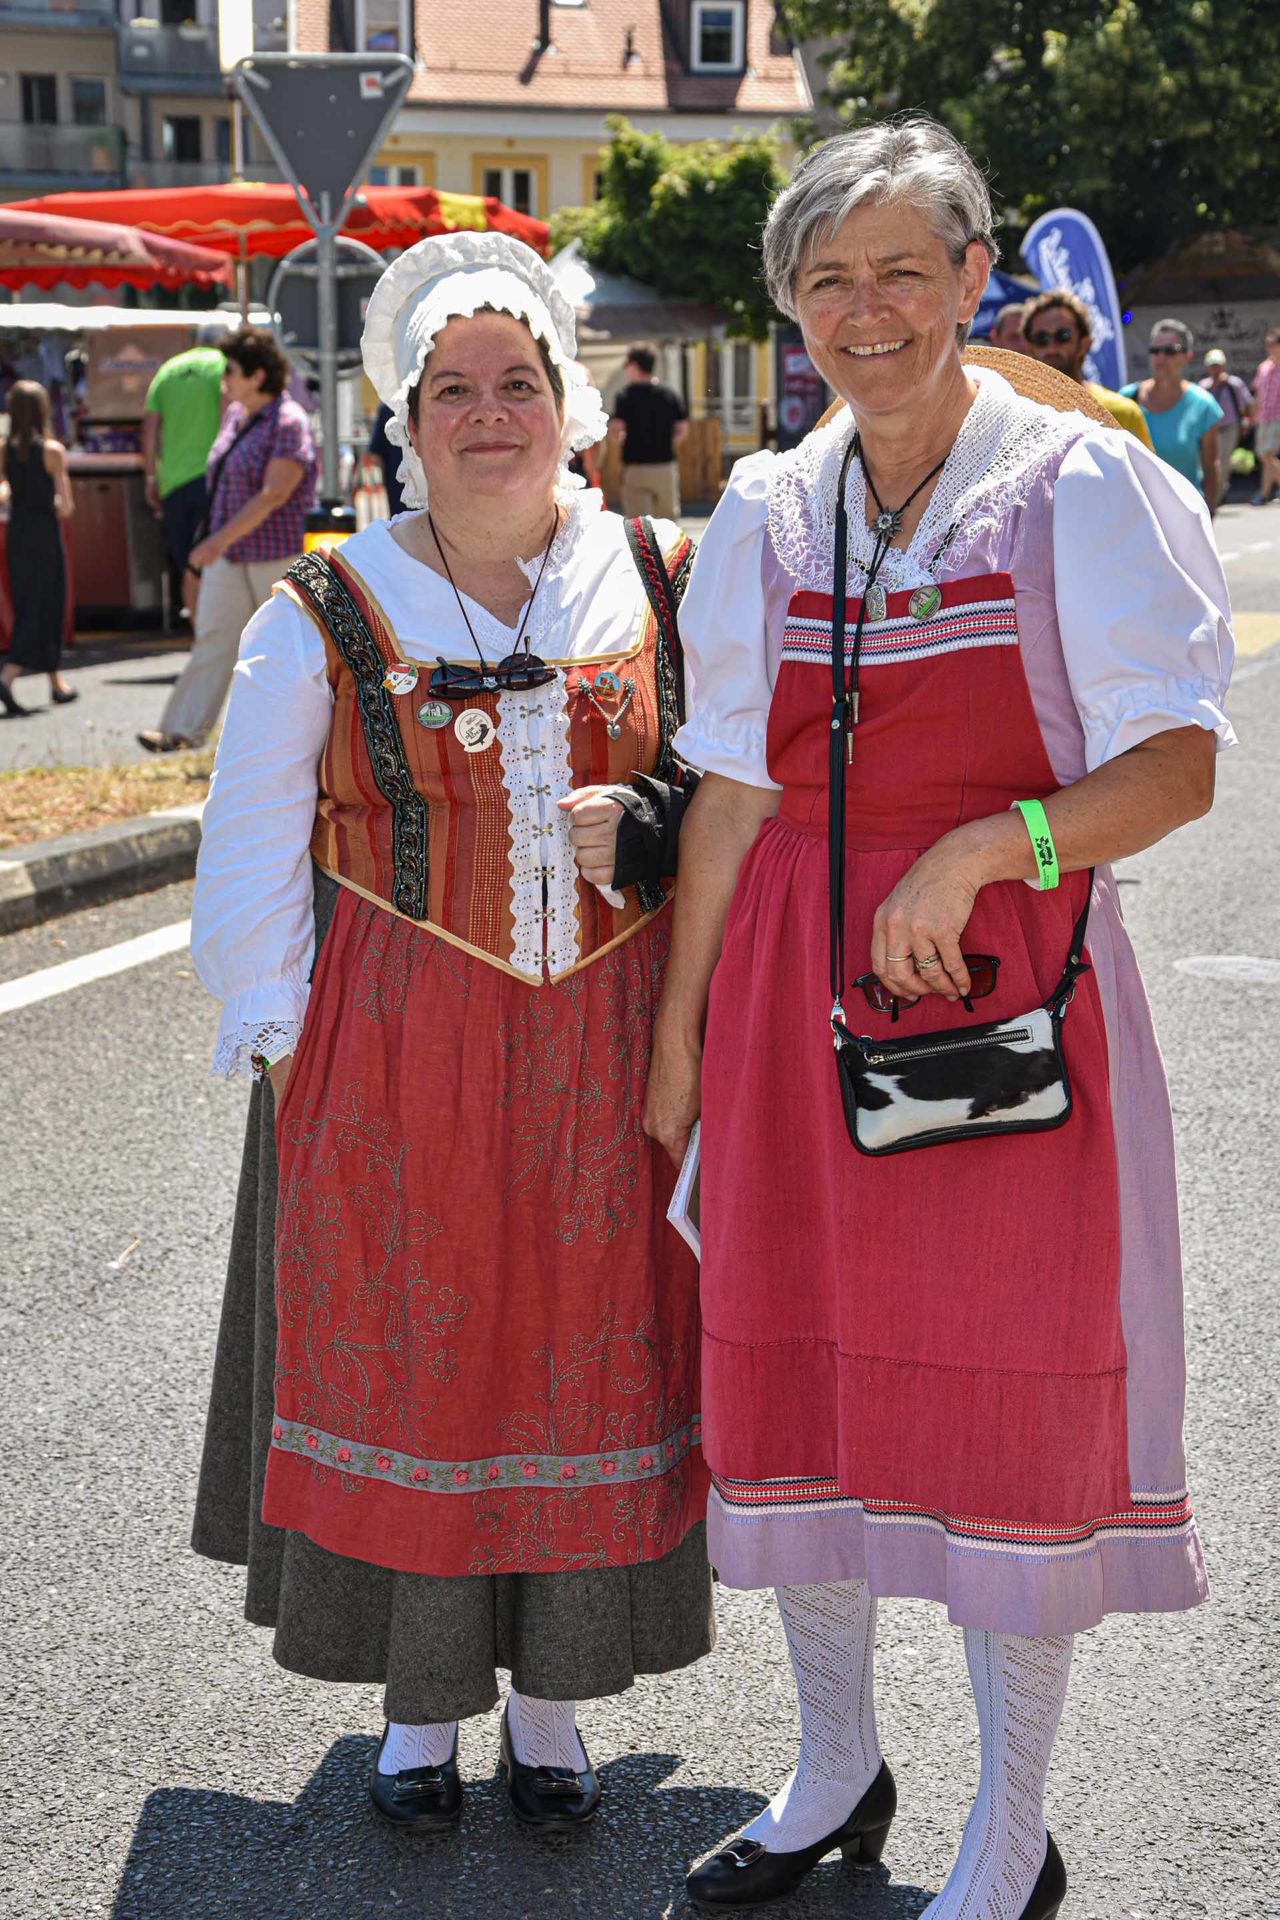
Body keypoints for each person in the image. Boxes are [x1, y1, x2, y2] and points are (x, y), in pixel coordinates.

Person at [645, 117, 1233, 1918]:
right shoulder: (766, 509)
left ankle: (1013, 1833)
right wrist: (678, 1042)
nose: (868, 311)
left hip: (1004, 1004)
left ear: (977, 277)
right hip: (785, 1000)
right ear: (790, 308)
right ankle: (833, 1770)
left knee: (1000, 1399)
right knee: (801, 1381)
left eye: (905, 269)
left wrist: (992, 845)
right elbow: (732, 798)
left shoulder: (1076, 487)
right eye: (828, 280)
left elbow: (1180, 767)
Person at [188, 231, 712, 1836]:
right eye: (454, 390)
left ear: (570, 405)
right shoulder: (328, 603)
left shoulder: (660, 574)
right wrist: (284, 1040)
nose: (490, 415)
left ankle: (551, 1707)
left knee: (582, 1358)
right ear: (405, 420)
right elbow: (251, 840)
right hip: (394, 1045)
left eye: (518, 383)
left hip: (613, 1043)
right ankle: (420, 1713)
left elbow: (746, 787)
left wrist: (659, 818)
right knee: (424, 1362)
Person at [138, 326, 316, 755]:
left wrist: (216, 541)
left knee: (288, 653)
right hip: (231, 554)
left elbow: (274, 494)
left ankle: (297, 742)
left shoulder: (289, 421)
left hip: (274, 555)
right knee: (213, 640)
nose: (223, 380)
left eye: (231, 371)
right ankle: (181, 731)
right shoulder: (236, 416)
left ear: (257, 376)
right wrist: (214, 542)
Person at [0, 379, 76, 718]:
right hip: (45, 534)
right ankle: (8, 674)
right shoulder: (52, 451)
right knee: (47, 603)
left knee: (27, 601)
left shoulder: (4, 449)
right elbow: (66, 506)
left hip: (17, 534)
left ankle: (56, 682)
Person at [142, 324, 227, 619]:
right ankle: (211, 625)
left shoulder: (167, 370)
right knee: (213, 560)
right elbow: (229, 417)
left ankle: (197, 625)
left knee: (185, 561)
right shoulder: (224, 367)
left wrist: (151, 476)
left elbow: (149, 429)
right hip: (212, 479)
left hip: (172, 481)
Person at [1021, 288, 1153, 448]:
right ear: (1029, 347)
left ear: (1084, 344)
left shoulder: (1123, 412)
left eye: (1063, 336)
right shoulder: (1017, 416)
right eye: (1041, 338)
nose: (1052, 347)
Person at [1121, 318, 1223, 509]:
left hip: (1185, 514)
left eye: (1170, 351)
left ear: (1187, 356)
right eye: (1155, 350)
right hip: (1134, 516)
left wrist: (1208, 513)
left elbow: (1211, 467)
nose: (1161, 357)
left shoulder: (1203, 405)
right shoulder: (1125, 400)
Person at [609, 344, 688, 518]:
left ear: (634, 366)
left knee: (639, 526)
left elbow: (616, 430)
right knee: (668, 523)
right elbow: (682, 430)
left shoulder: (625, 396)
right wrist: (665, 441)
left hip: (636, 467)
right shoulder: (669, 394)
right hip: (665, 466)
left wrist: (623, 440)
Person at [1198, 349, 1251, 507]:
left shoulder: (1234, 384)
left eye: (1218, 365)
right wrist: (1214, 385)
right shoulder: (1203, 386)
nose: (1215, 369)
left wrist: (1245, 421)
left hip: (1229, 427)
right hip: (1208, 430)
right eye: (1212, 366)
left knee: (1223, 461)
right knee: (1208, 461)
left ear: (1224, 366)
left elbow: (1246, 404)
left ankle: (1218, 495)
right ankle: (1209, 493)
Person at [1251, 325, 1280, 505]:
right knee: (1264, 457)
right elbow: (1258, 392)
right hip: (1263, 417)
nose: (1268, 347)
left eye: (1272, 344)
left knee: (1268, 454)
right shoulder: (1263, 367)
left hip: (1278, 417)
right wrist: (1253, 414)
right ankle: (1264, 493)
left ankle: (1263, 494)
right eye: (1267, 344)